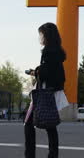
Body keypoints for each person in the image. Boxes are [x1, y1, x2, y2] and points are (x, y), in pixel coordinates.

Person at [24, 22, 66, 158]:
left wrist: (35, 71)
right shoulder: (58, 52)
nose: (40, 38)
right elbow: (57, 75)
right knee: (50, 125)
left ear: (46, 36)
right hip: (53, 93)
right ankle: (53, 155)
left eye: (41, 34)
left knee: (28, 124)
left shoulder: (48, 52)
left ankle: (30, 155)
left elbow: (46, 73)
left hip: (44, 94)